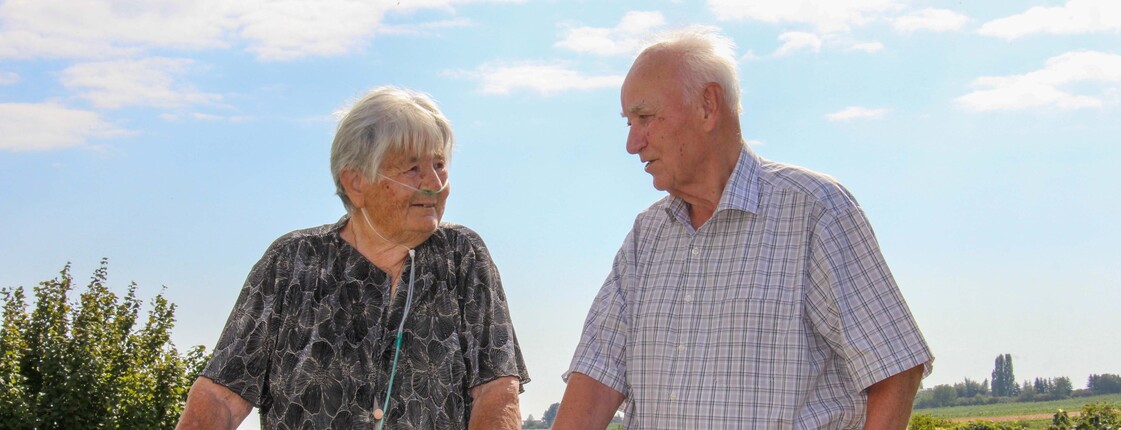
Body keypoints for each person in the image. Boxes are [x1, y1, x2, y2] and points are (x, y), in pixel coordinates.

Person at [553, 26, 933, 429]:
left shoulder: (813, 211)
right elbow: (595, 377)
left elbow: (895, 369)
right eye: (628, 122)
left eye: (644, 117)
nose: (633, 143)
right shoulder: (646, 237)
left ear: (708, 105)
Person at [176, 86, 529, 430]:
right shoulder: (292, 263)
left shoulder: (462, 257)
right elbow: (221, 398)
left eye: (439, 165)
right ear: (355, 183)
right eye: (412, 169)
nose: (434, 183)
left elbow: (497, 390)